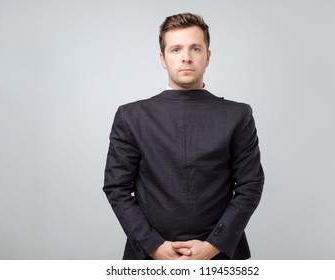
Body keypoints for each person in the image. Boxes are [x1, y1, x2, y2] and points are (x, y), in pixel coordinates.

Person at [103, 13, 264, 260]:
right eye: (176, 49)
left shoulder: (237, 115)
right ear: (163, 59)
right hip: (149, 257)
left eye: (195, 48)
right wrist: (153, 245)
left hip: (219, 257)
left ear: (207, 56)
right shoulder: (131, 116)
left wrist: (213, 245)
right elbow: (117, 187)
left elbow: (250, 185)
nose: (186, 57)